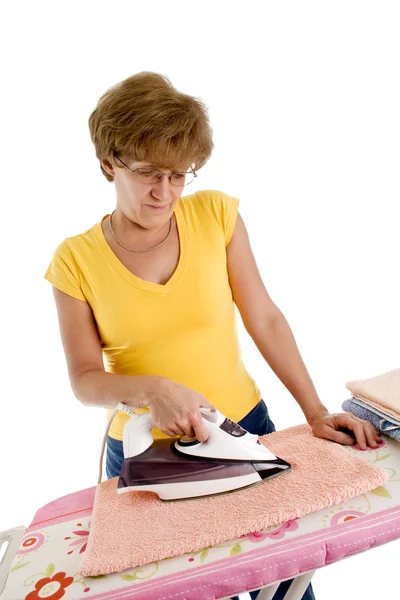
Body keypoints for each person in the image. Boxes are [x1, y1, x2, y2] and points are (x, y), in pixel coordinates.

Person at [45, 72, 381, 600]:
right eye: (148, 173)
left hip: (245, 429)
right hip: (145, 455)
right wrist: (152, 389)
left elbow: (264, 316)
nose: (166, 192)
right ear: (108, 162)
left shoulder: (216, 216)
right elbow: (86, 380)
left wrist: (314, 411)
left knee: (286, 588)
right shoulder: (75, 260)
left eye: (179, 176)